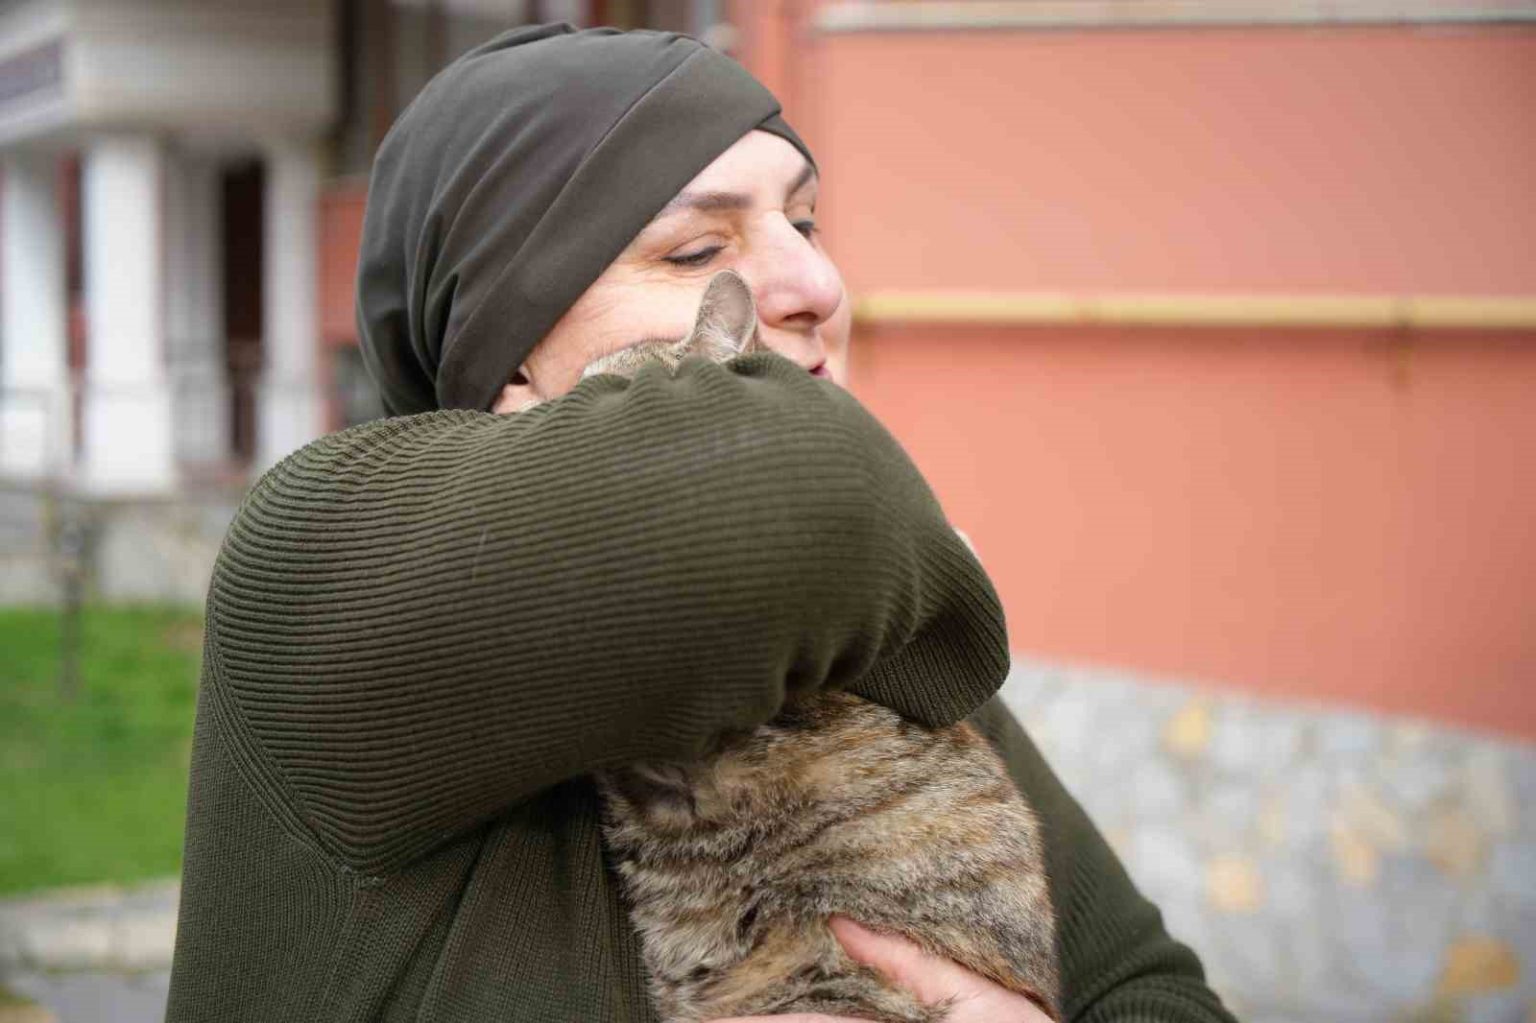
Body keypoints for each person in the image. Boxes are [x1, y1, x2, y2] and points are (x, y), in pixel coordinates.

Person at [166, 23, 1237, 1023]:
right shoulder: (314, 553)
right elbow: (821, 487)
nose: (817, 281)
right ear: (510, 358)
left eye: (805, 224)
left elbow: (1156, 995)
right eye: (693, 252)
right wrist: (909, 546)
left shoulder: (844, 625)